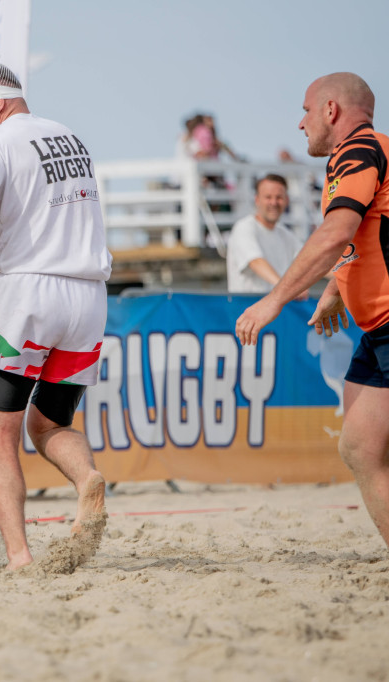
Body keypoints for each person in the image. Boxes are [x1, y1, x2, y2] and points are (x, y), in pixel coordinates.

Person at [0, 63, 111, 570]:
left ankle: (19, 556)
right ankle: (86, 478)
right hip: (87, 296)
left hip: (27, 293)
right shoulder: (69, 136)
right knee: (48, 422)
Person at [236, 72, 389, 550]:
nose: (300, 123)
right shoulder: (369, 153)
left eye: (305, 110)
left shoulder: (359, 150)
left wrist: (273, 299)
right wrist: (337, 290)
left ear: (331, 110)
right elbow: (365, 235)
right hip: (378, 328)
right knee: (360, 447)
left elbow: (337, 232)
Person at [226, 174, 304, 293]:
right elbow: (255, 261)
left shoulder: (286, 234)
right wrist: (287, 289)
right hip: (246, 309)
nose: (274, 202)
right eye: (268, 197)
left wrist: (340, 276)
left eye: (279, 197)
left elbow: (311, 259)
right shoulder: (244, 228)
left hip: (276, 308)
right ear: (257, 200)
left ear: (286, 200)